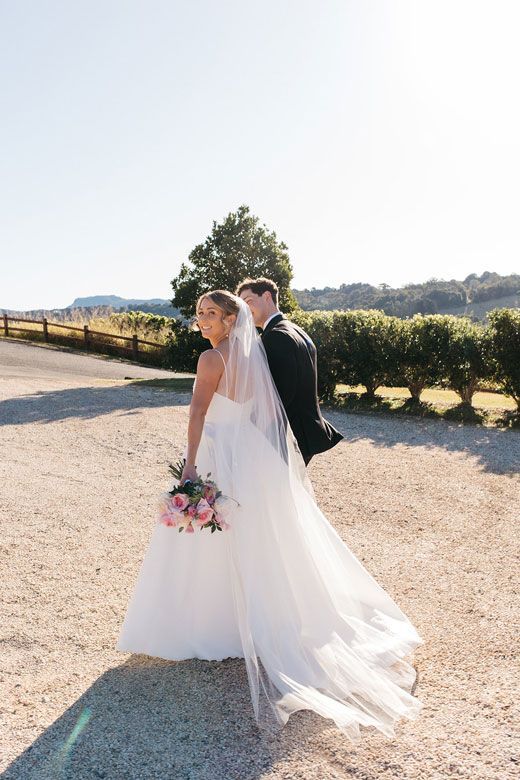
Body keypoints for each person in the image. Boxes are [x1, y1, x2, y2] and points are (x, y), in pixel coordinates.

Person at [116, 290, 424, 742]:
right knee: (263, 538)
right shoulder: (251, 354)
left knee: (210, 538)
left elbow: (198, 412)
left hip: (223, 451)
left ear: (228, 319)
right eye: (200, 313)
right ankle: (250, 620)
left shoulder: (210, 360)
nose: (202, 320)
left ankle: (206, 626)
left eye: (211, 313)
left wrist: (189, 463)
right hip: (254, 455)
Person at [236, 277, 342, 465]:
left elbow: (280, 393)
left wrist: (255, 432)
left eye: (248, 301)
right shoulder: (297, 331)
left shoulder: (276, 336)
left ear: (267, 296)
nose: (245, 309)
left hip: (286, 436)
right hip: (304, 431)